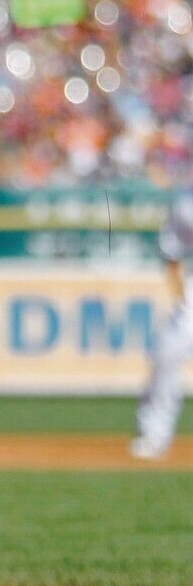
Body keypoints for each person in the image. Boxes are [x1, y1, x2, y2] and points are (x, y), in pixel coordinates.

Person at [131, 191, 192, 460]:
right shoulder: (185, 206)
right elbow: (172, 253)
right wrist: (181, 299)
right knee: (166, 353)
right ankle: (155, 434)